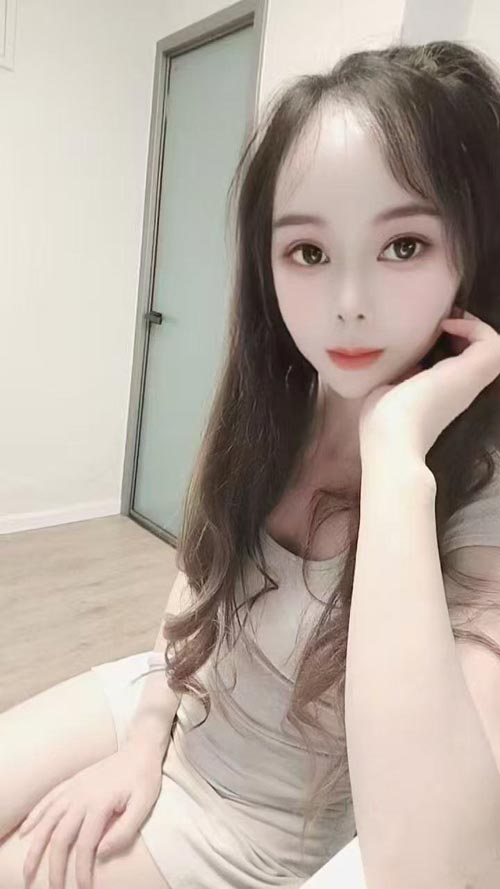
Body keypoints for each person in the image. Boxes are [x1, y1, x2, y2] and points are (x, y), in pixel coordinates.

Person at [2, 38, 500, 889]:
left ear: (474, 249)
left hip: (250, 824)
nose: (348, 304)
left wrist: (393, 455)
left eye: (403, 245)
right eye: (308, 252)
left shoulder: (478, 496)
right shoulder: (275, 406)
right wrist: (143, 743)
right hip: (173, 700)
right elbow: (201, 575)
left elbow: (432, 868)